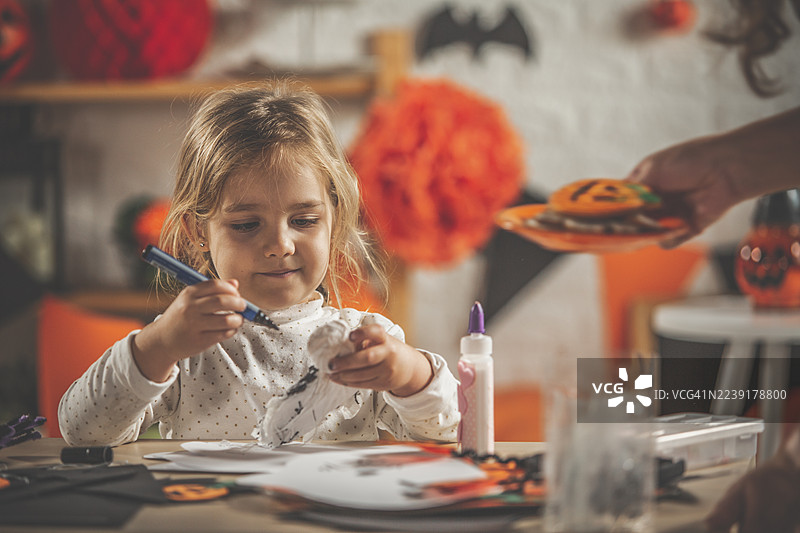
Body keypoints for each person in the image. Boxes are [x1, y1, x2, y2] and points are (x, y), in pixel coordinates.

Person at [58, 81, 459, 447]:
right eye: (247, 225)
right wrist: (158, 344)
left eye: (304, 221)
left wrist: (410, 374)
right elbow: (82, 432)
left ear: (334, 220)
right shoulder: (184, 346)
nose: (280, 245)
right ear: (198, 232)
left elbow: (454, 430)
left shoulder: (366, 340)